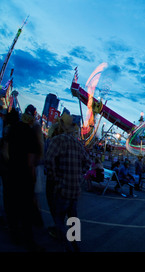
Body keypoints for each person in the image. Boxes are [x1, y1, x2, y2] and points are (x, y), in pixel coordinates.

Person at [45, 112, 90, 252]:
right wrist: (78, 175)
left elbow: (49, 160)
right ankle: (75, 243)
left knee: (59, 217)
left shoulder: (57, 140)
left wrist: (56, 177)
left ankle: (66, 246)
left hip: (62, 187)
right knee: (73, 217)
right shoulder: (77, 143)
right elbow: (87, 163)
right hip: (75, 188)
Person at [3, 105, 43, 251]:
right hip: (24, 175)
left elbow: (5, 151)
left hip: (11, 172)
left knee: (12, 206)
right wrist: (32, 175)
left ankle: (14, 235)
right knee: (25, 208)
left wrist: (10, 164)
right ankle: (29, 241)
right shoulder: (31, 133)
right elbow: (30, 161)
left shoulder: (13, 129)